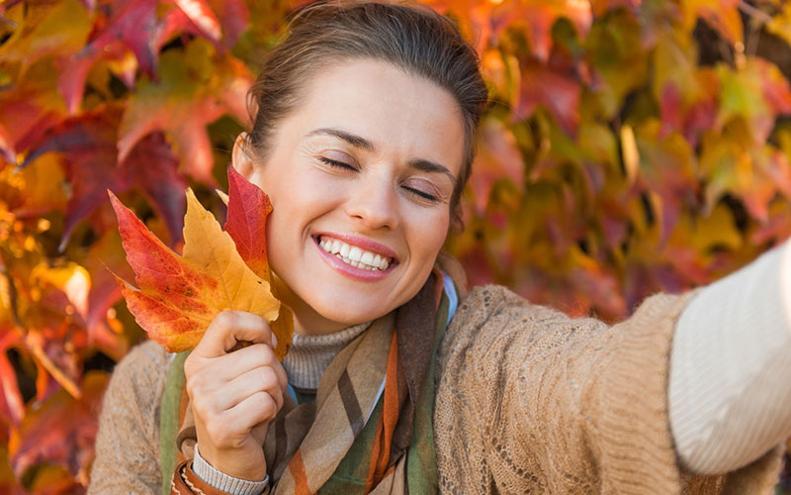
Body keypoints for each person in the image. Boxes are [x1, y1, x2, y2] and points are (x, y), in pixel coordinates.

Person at [88, 1, 791, 494]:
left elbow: (626, 392)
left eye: (421, 189)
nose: (374, 210)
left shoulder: (481, 368)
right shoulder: (152, 387)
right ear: (247, 165)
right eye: (338, 159)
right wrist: (219, 474)